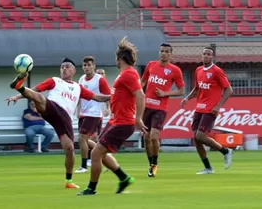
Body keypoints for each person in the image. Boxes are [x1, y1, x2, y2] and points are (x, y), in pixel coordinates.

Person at [6, 57, 111, 189]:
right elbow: (36, 90)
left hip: (64, 118)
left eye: (67, 66)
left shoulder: (78, 87)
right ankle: (19, 87)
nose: (64, 69)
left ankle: (69, 181)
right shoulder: (55, 80)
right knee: (40, 98)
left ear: (73, 70)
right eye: (62, 67)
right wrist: (18, 96)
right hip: (52, 107)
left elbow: (97, 97)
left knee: (70, 148)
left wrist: (116, 96)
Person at [78, 36, 147, 195]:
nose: (115, 61)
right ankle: (123, 178)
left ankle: (91, 188)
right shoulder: (125, 74)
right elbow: (119, 95)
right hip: (115, 120)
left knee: (96, 153)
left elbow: (140, 96)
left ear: (120, 59)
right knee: (99, 151)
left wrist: (138, 118)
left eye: (116, 58)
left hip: (122, 122)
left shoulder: (128, 74)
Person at [181, 47, 233, 174]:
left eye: (209, 54)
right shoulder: (198, 70)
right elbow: (197, 88)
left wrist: (218, 106)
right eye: (204, 54)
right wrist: (187, 98)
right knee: (196, 138)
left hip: (211, 109)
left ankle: (225, 151)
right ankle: (208, 168)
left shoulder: (216, 71)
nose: (206, 56)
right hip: (199, 107)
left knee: (201, 136)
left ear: (212, 57)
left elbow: (229, 90)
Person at [140, 43, 185, 177]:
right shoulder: (151, 65)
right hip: (147, 106)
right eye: (161, 51)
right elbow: (142, 82)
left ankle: (155, 164)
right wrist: (138, 93)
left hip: (160, 108)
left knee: (154, 136)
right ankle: (151, 164)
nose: (163, 53)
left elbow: (181, 90)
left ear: (171, 54)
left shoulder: (175, 70)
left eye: (166, 51)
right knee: (146, 138)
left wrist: (165, 94)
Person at [75, 56, 111, 173]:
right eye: (84, 65)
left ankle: (84, 166)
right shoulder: (81, 79)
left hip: (94, 113)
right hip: (84, 113)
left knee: (82, 138)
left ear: (93, 66)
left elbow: (109, 95)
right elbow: (80, 96)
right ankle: (105, 157)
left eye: (89, 65)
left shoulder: (99, 80)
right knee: (85, 140)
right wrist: (78, 110)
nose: (86, 67)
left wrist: (108, 108)